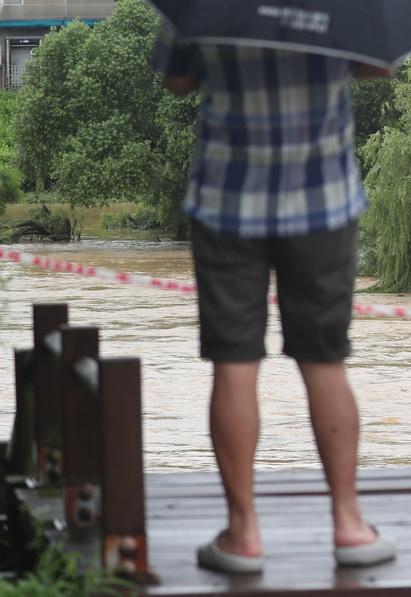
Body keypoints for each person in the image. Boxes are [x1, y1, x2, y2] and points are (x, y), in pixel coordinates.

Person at [154, 33, 395, 574]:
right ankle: (349, 526)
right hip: (322, 201)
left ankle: (243, 534)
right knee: (325, 362)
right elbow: (377, 64)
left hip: (226, 201)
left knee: (234, 364)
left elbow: (176, 78)